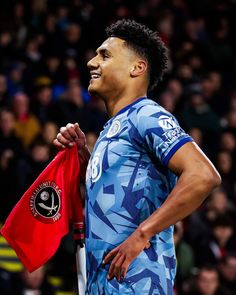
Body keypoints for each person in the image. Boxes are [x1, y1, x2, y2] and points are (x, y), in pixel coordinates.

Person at [54, 19, 221, 294]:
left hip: (138, 282)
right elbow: (122, 190)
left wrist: (143, 233)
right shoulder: (113, 127)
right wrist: (86, 157)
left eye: (105, 55)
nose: (91, 63)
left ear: (137, 68)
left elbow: (203, 175)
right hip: (105, 284)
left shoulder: (147, 114)